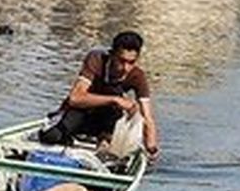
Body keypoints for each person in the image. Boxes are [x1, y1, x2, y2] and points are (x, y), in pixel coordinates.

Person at [38, 30, 159, 159]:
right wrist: (115, 99)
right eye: (121, 61)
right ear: (112, 55)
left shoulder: (137, 76)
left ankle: (105, 142)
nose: (125, 68)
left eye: (131, 62)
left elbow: (148, 117)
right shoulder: (96, 59)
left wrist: (151, 147)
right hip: (82, 112)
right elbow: (75, 98)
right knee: (50, 137)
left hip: (107, 120)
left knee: (116, 116)